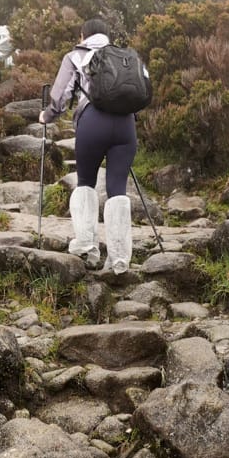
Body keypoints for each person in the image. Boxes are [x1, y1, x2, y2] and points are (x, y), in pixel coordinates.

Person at [39, 18, 146, 275]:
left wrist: (47, 115)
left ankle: (87, 247)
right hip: (126, 126)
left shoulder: (75, 56)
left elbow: (60, 96)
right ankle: (119, 259)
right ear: (108, 36)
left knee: (86, 182)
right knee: (117, 189)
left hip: (93, 123)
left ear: (83, 35)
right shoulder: (127, 57)